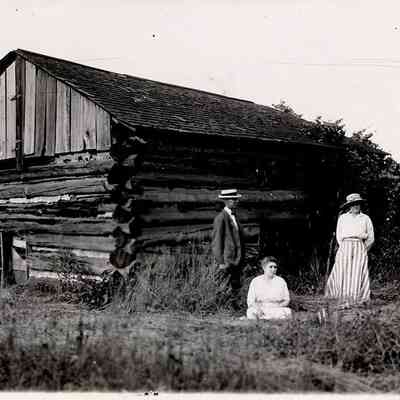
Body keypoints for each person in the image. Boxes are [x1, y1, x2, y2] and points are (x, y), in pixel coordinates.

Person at [325, 193, 374, 306]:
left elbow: (371, 237)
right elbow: (339, 235)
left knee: (357, 271)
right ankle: (341, 297)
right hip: (345, 246)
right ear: (349, 206)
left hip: (359, 245)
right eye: (353, 204)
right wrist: (344, 247)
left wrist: (363, 249)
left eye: (358, 204)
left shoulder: (365, 218)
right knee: (343, 270)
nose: (356, 206)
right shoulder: (343, 218)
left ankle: (356, 298)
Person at [212, 189, 245, 309]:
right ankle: (222, 309)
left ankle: (234, 308)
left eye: (236, 199)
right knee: (224, 285)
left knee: (235, 284)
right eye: (233, 199)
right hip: (226, 259)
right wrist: (220, 262)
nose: (236, 201)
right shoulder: (221, 218)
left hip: (236, 258)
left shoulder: (234, 216)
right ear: (226, 201)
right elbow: (216, 242)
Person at [246, 256, 292, 320]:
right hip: (260, 308)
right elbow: (250, 300)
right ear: (264, 268)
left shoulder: (281, 281)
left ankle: (265, 318)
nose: (273, 269)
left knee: (287, 311)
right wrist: (258, 309)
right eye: (270, 267)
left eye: (275, 267)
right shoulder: (255, 281)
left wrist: (278, 306)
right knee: (251, 311)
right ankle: (269, 318)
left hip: (276, 309)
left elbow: (287, 299)